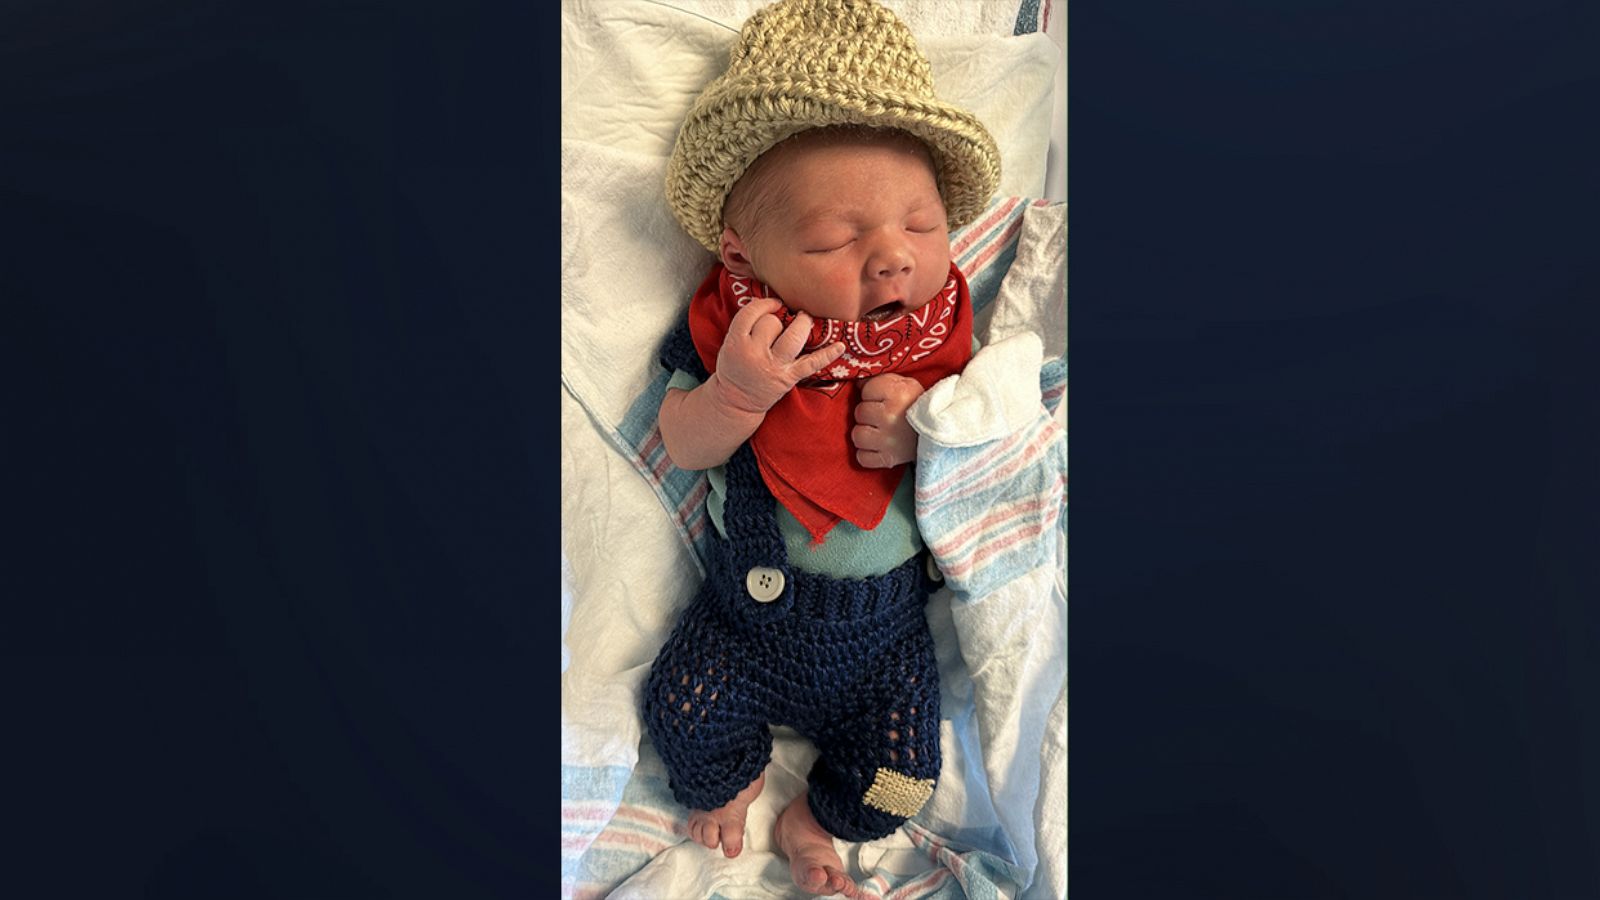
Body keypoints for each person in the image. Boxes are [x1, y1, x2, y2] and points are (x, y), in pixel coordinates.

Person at [642, 0, 1001, 895]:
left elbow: (987, 454)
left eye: (919, 226)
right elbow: (680, 443)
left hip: (884, 645)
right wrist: (735, 393)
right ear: (743, 252)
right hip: (746, 622)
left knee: (904, 778)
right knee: (680, 713)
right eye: (836, 239)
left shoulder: (944, 340)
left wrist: (927, 430)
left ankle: (816, 825)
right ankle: (733, 776)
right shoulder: (733, 334)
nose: (891, 259)